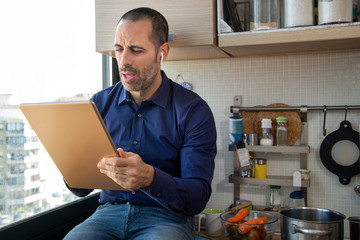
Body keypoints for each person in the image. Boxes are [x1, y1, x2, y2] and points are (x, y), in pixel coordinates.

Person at [64, 7, 217, 240]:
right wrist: (69, 163)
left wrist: (150, 177)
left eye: (136, 50)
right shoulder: (99, 103)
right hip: (108, 214)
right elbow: (80, 189)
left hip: (166, 218)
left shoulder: (194, 111)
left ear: (162, 52)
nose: (124, 61)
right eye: (118, 49)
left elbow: (196, 198)